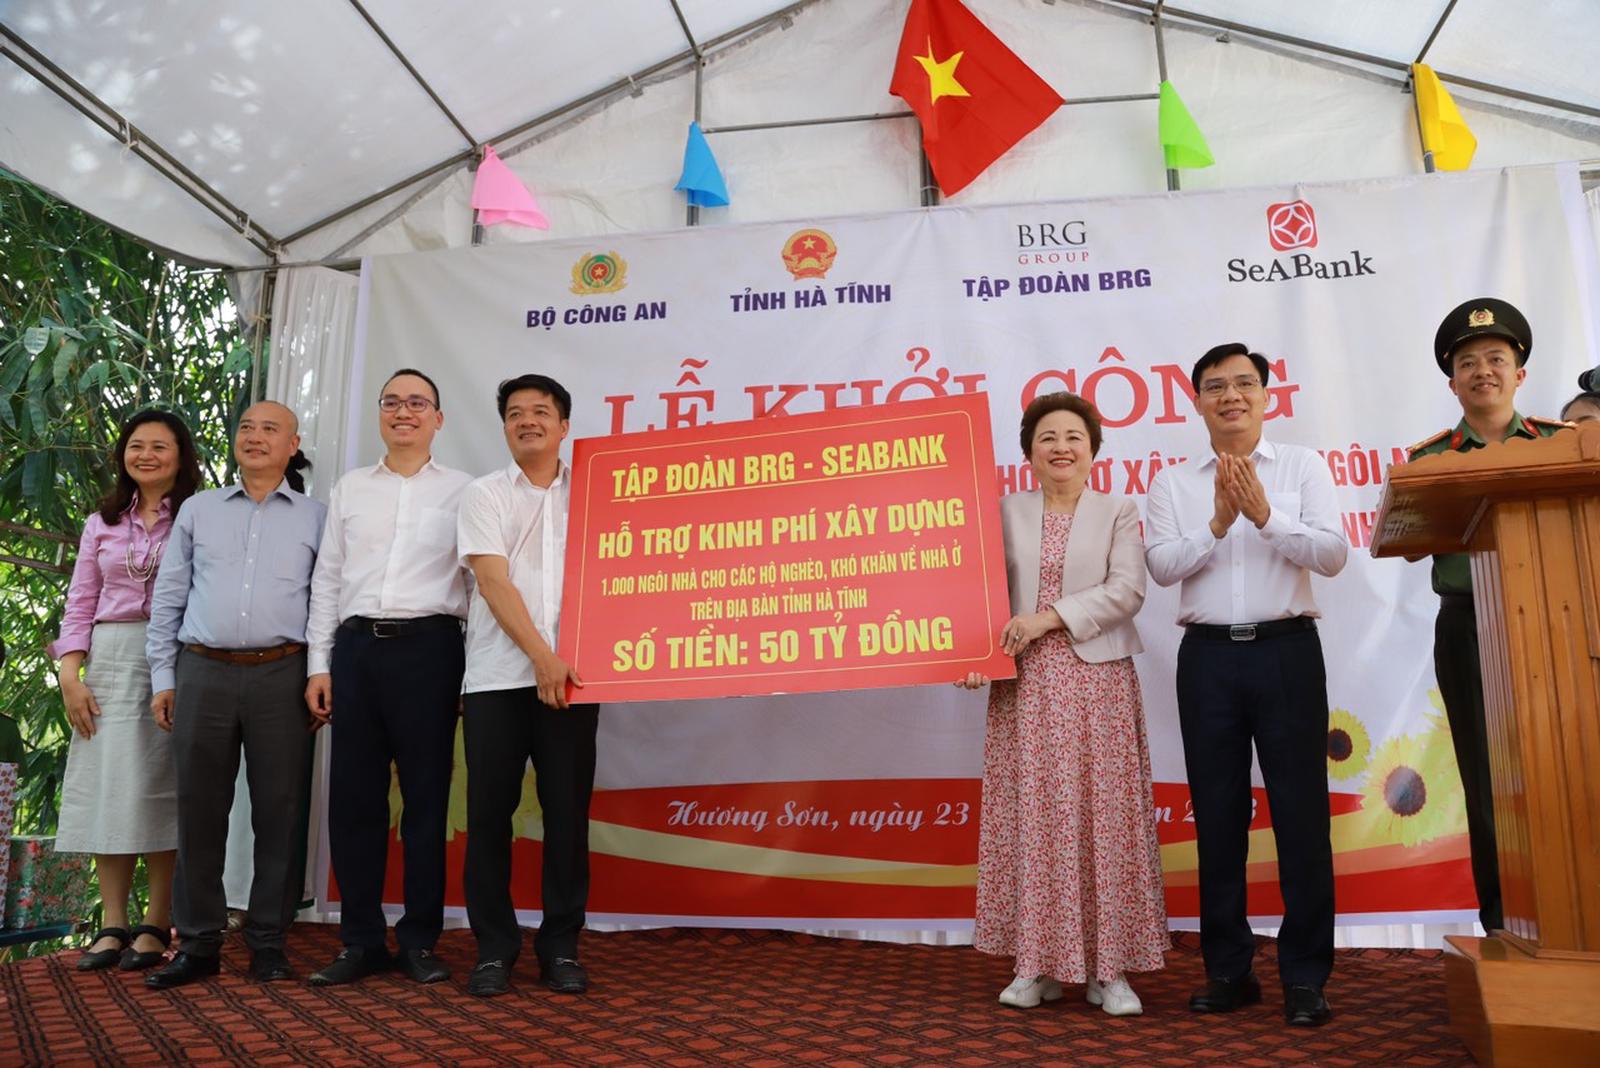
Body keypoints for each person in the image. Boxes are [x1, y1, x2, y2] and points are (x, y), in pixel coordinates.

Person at [1145, 343, 1347, 1028]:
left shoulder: (1302, 466)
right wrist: (1217, 524)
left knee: (1301, 815)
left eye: (1243, 384)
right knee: (1218, 815)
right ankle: (1229, 970)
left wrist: (1265, 516)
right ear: (1197, 401)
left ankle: (1305, 976)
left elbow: (1332, 554)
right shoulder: (1172, 482)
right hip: (1207, 661)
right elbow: (1163, 567)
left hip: (1287, 652)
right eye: (1215, 386)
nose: (1230, 396)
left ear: (1266, 394)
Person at [958, 392, 1168, 1016]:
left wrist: (1047, 618)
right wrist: (968, 654)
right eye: (1047, 437)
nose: (1061, 448)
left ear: (1093, 449)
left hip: (1098, 684)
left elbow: (1127, 591)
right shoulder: (1001, 513)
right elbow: (974, 593)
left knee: (1106, 821)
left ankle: (1110, 970)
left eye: (1074, 436)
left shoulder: (1118, 510)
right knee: (1034, 821)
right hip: (1023, 687)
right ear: (1028, 451)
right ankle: (1035, 965)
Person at [143, 401, 326, 989]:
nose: (255, 437)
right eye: (246, 427)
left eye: (270, 429)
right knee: (199, 811)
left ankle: (268, 942)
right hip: (202, 672)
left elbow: (325, 603)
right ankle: (198, 943)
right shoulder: (198, 510)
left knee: (279, 812)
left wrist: (320, 673)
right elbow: (169, 597)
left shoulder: (317, 517)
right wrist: (164, 678)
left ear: (292, 445)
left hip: (284, 673)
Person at [1406, 298, 1571, 936]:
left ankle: (1576, 916)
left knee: (1570, 765)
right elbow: (1408, 539)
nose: (1483, 372)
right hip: (1471, 627)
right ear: (1453, 382)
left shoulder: (1563, 445)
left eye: (1496, 359)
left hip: (1559, 621)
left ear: (1519, 373)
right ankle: (1504, 922)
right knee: (1488, 777)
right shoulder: (1431, 460)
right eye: (1468, 363)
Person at [304, 369, 472, 987]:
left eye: (417, 403)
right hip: (355, 652)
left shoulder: (464, 491)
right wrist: (319, 665)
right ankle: (361, 941)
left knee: (426, 803)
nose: (404, 412)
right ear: (380, 414)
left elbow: (478, 587)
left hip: (431, 651)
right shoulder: (351, 488)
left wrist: (468, 674)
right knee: (355, 802)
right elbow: (327, 579)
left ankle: (421, 940)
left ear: (438, 418)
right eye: (393, 402)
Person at [457, 373, 595, 998]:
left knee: (568, 818)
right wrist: (542, 658)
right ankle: (494, 949)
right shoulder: (483, 494)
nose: (527, 421)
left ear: (563, 426)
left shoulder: (596, 494)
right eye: (515, 413)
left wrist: (561, 663)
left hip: (575, 679)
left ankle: (561, 946)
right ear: (505, 427)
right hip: (497, 680)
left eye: (541, 412)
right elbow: (492, 582)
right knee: (489, 818)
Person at [50, 411, 201, 971]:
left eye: (160, 446)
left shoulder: (199, 516)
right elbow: (79, 603)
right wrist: (70, 677)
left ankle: (156, 924)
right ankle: (112, 923)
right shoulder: (102, 522)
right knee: (109, 786)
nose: (147, 455)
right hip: (109, 658)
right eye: (137, 446)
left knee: (163, 786)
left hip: (177, 656)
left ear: (181, 456)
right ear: (123, 455)